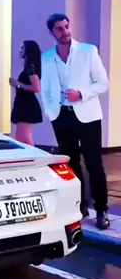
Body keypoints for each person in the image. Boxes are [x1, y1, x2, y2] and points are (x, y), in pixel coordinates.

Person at [41, 13, 110, 229]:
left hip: (88, 116)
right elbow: (45, 89)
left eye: (66, 27)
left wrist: (80, 94)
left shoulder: (88, 51)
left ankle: (101, 210)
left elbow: (103, 83)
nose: (65, 32)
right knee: (71, 164)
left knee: (94, 164)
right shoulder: (46, 57)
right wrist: (51, 112)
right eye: (59, 28)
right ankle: (79, 206)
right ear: (51, 32)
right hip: (61, 116)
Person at [9, 40, 43, 145]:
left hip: (26, 106)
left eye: (23, 47)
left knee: (23, 137)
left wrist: (18, 84)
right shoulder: (28, 67)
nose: (20, 50)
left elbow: (36, 87)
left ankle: (31, 154)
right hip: (24, 104)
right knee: (22, 136)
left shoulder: (30, 67)